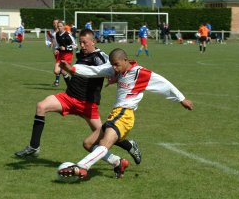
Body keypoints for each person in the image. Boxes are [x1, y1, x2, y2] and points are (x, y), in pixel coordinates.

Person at [58, 48, 193, 179]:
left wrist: (181, 99)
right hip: (116, 114)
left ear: (125, 60)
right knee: (88, 143)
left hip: (125, 115)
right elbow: (96, 70)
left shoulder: (140, 73)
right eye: (112, 65)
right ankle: (118, 162)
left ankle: (82, 166)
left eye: (117, 65)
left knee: (105, 143)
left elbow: (164, 83)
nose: (114, 69)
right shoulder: (118, 70)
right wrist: (72, 69)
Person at [15, 30, 142, 168]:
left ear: (93, 42)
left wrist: (114, 78)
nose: (81, 45)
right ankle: (34, 147)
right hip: (69, 98)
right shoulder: (81, 54)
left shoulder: (100, 57)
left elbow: (116, 69)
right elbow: (78, 76)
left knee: (105, 134)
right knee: (41, 106)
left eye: (84, 42)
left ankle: (129, 146)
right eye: (80, 42)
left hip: (87, 105)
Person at [53, 20, 77, 87]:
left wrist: (66, 48)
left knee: (64, 71)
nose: (59, 27)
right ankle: (71, 83)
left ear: (64, 26)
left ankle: (70, 85)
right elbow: (58, 44)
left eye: (60, 26)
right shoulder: (57, 34)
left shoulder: (68, 35)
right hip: (60, 54)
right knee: (56, 71)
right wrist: (56, 49)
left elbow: (75, 46)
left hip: (67, 55)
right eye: (58, 26)